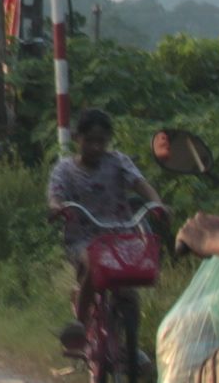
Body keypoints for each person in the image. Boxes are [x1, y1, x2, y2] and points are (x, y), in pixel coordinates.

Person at [47, 108, 167, 352]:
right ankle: (79, 326)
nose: (96, 147)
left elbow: (141, 185)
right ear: (78, 138)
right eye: (90, 140)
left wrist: (158, 204)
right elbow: (54, 198)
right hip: (83, 239)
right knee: (94, 262)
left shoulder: (118, 162)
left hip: (119, 234)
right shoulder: (65, 170)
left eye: (101, 141)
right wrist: (58, 208)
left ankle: (129, 348)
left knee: (130, 290)